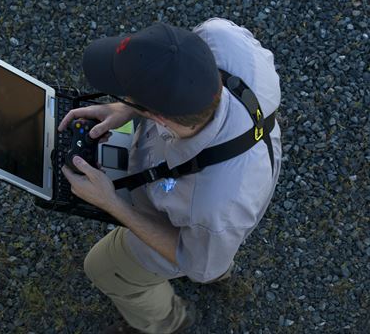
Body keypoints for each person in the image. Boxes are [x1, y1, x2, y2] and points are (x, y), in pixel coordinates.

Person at [59, 19, 282, 333]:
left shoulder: (213, 206)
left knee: (103, 268)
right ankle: (221, 259)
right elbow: (179, 77)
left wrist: (112, 203)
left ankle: (168, 321)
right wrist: (125, 109)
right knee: (216, 243)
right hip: (250, 168)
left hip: (212, 221)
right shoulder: (223, 37)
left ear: (159, 117)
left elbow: (200, 265)